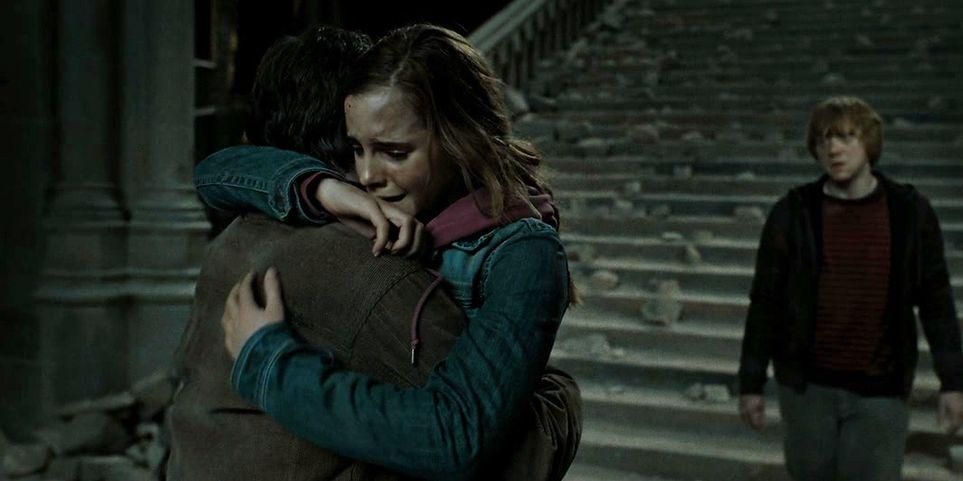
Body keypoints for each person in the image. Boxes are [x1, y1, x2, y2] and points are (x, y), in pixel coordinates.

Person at [167, 25, 580, 481]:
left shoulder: (522, 253)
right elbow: (214, 171)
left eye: (394, 152)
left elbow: (455, 435)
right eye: (356, 149)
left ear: (459, 137)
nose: (365, 175)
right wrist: (322, 188)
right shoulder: (383, 210)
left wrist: (271, 365)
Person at [737, 96, 963, 481]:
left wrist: (953, 382)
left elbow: (936, 302)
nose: (834, 149)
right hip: (808, 389)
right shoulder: (793, 212)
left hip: (880, 389)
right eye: (824, 140)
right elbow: (765, 303)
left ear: (869, 142)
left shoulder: (909, 211)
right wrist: (751, 383)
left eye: (846, 137)